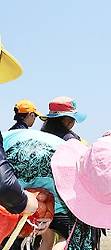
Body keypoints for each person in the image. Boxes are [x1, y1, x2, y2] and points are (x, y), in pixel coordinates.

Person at [0, 36, 39, 217]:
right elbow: (5, 184)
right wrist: (24, 201)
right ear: (30, 115)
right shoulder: (29, 138)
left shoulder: (9, 132)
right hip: (14, 200)